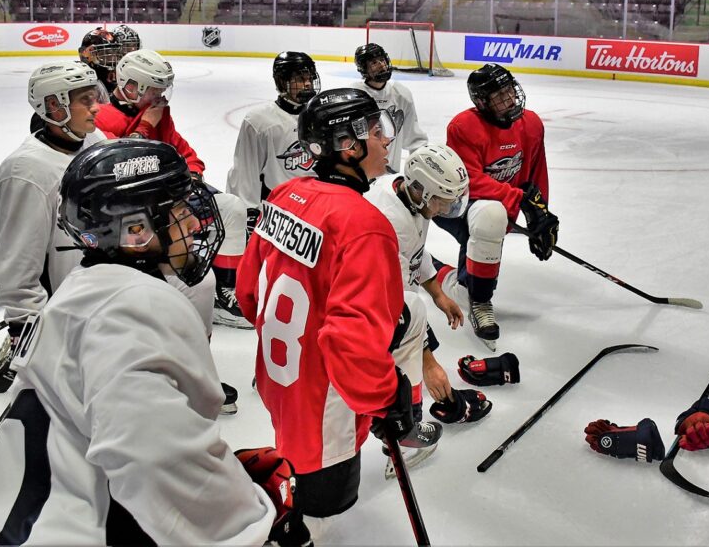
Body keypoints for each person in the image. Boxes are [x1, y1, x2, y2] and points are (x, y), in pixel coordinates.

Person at [0, 139, 303, 546]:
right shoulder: (132, 310)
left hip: (56, 515)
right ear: (136, 232)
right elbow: (150, 461)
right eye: (180, 214)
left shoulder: (84, 289)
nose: (195, 225)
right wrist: (249, 517)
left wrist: (219, 473)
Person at [236, 88, 431, 532]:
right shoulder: (365, 227)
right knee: (323, 508)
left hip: (278, 378)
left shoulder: (285, 194)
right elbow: (350, 343)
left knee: (295, 466)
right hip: (326, 403)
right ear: (348, 146)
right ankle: (290, 527)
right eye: (375, 131)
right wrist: (387, 398)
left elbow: (249, 293)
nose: (386, 140)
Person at [94, 49, 251, 344]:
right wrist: (147, 125)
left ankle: (226, 291)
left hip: (170, 201)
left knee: (230, 207)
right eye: (154, 89)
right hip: (133, 216)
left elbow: (185, 153)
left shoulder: (158, 112)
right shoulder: (102, 119)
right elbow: (122, 167)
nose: (161, 95)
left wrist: (190, 176)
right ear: (130, 86)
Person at [0, 60, 107, 393]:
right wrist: (24, 324)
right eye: (86, 100)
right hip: (64, 300)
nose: (96, 107)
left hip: (99, 281)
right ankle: (18, 344)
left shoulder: (94, 140)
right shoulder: (27, 170)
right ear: (55, 106)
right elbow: (17, 260)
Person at [366, 143, 495, 440]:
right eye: (443, 202)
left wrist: (438, 294)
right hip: (372, 303)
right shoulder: (387, 221)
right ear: (422, 190)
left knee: (409, 342)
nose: (447, 209)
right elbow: (395, 305)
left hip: (386, 294)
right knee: (405, 356)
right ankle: (405, 436)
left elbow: (415, 252)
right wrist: (428, 362)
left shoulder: (408, 195)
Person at [435, 64, 558, 349]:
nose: (510, 101)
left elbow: (536, 173)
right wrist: (518, 200)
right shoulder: (463, 127)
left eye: (510, 92)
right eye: (499, 98)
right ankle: (479, 301)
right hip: (453, 204)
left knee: (490, 224)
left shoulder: (531, 124)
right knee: (489, 218)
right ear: (482, 103)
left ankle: (460, 283)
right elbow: (468, 181)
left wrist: (540, 213)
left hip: (497, 205)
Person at [226, 51, 321, 206]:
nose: (308, 83)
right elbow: (245, 174)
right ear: (282, 82)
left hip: (315, 203)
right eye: (300, 79)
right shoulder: (260, 121)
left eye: (310, 78)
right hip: (277, 209)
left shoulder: (319, 116)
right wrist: (248, 211)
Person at [352, 43, 428, 172]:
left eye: (382, 60)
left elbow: (414, 140)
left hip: (388, 178)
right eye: (374, 63)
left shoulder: (401, 94)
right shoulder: (353, 95)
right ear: (364, 69)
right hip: (358, 175)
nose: (381, 65)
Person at [77, 24, 141, 97]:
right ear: (87, 55)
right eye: (106, 54)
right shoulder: (81, 86)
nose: (113, 59)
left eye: (114, 53)